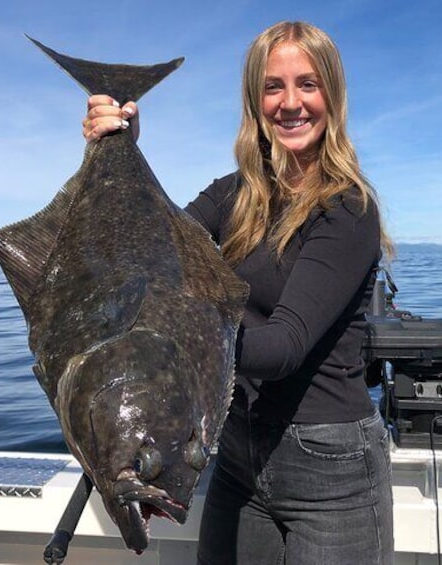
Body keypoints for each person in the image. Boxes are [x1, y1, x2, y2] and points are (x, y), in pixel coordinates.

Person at [83, 20, 394, 565]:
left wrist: (169, 348)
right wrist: (115, 151)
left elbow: (282, 347)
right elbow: (147, 254)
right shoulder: (231, 195)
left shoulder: (348, 207)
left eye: (309, 84)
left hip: (330, 467)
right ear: (254, 100)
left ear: (333, 96)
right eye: (273, 86)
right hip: (235, 453)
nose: (291, 103)